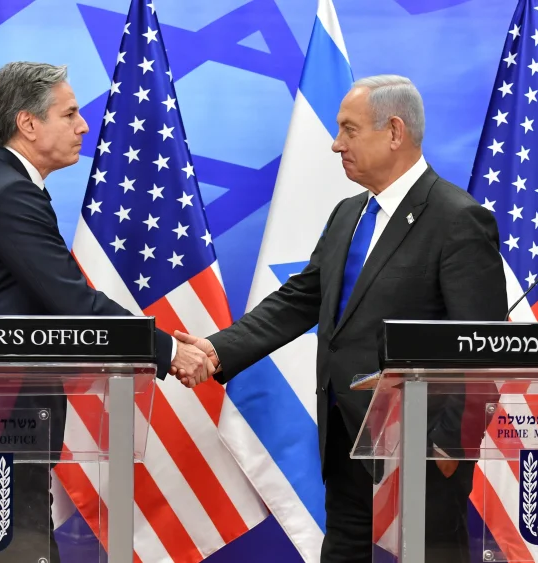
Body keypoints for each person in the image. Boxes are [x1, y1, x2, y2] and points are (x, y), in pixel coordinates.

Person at [175, 75, 507, 562]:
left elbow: (483, 347)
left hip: (424, 446)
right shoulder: (348, 214)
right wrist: (216, 349)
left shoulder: (457, 218)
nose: (336, 145)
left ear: (394, 131)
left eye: (349, 130)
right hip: (346, 436)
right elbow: (300, 299)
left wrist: (448, 452)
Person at [0, 61, 213, 561]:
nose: (84, 125)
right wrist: (167, 348)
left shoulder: (2, 185)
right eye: (70, 113)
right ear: (29, 123)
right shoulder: (9, 192)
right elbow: (73, 302)